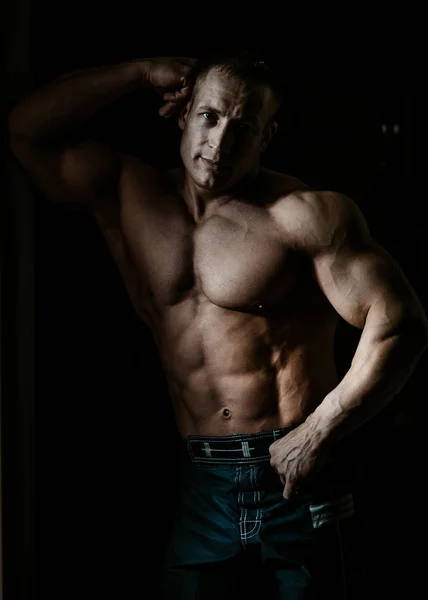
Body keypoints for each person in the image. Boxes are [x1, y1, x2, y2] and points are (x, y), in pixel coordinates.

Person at [8, 51, 428, 599]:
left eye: (244, 127)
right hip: (202, 487)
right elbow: (27, 132)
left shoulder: (302, 213)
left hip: (299, 478)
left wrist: (318, 432)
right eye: (209, 116)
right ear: (183, 115)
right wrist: (135, 73)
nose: (221, 143)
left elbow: (400, 323)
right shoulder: (131, 197)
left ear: (267, 136)